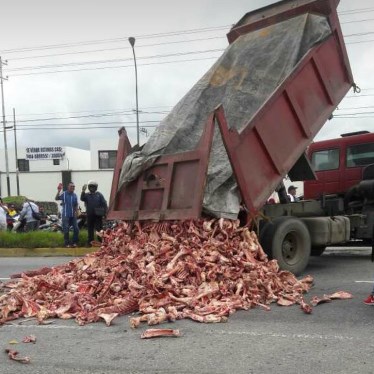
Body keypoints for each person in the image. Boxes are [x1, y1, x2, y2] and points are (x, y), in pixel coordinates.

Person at [80, 180, 108, 247]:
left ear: (96, 187)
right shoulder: (86, 195)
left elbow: (104, 203)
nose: (92, 188)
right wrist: (83, 191)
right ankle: (90, 243)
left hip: (98, 215)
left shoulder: (99, 195)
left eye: (93, 187)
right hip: (89, 215)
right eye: (91, 187)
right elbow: (82, 198)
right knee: (90, 229)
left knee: (99, 229)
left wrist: (105, 213)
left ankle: (102, 242)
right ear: (89, 187)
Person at [55, 182, 79, 248]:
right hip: (65, 215)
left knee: (76, 229)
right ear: (68, 187)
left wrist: (77, 212)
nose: (73, 188)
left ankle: (74, 242)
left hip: (73, 215)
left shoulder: (75, 195)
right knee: (66, 229)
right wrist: (59, 191)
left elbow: (76, 204)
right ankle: (66, 243)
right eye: (71, 186)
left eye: (74, 186)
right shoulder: (64, 193)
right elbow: (56, 198)